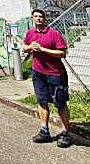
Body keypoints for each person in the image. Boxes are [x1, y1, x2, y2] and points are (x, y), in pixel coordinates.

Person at [22, 8, 72, 148]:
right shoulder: (30, 33)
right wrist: (29, 47)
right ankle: (44, 131)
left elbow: (62, 53)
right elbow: (24, 47)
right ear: (33, 18)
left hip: (55, 74)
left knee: (60, 103)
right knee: (42, 101)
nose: (38, 19)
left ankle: (65, 133)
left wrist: (43, 50)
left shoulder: (53, 33)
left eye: (41, 17)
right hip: (38, 73)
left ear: (44, 18)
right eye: (36, 16)